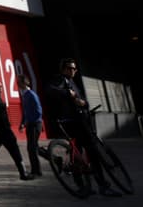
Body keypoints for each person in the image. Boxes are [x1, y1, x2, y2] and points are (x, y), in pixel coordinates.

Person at [45, 57, 113, 194]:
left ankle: (84, 186)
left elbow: (82, 101)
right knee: (91, 151)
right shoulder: (61, 80)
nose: (73, 71)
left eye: (74, 68)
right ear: (63, 69)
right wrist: (67, 93)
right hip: (73, 122)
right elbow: (50, 89)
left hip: (80, 120)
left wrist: (84, 103)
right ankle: (102, 185)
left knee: (77, 154)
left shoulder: (73, 82)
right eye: (69, 68)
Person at [17, 73, 42, 177]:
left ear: (24, 83)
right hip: (30, 124)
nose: (17, 84)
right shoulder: (25, 95)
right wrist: (23, 123)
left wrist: (32, 121)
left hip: (35, 124)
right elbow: (25, 111)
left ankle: (36, 171)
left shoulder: (31, 94)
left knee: (32, 148)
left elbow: (38, 110)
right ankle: (55, 159)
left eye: (19, 82)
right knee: (34, 147)